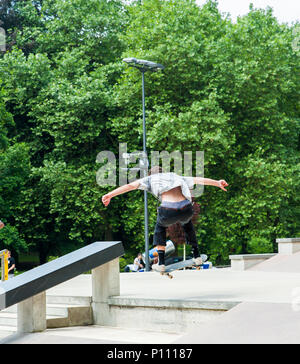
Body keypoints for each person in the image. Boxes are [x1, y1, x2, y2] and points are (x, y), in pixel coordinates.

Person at [102, 167, 228, 273]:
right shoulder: (175, 176)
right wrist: (217, 182)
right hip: (186, 208)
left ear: (151, 174)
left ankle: (161, 262)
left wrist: (109, 195)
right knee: (188, 225)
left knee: (160, 228)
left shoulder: (149, 179)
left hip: (168, 210)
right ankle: (197, 256)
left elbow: (129, 186)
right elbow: (199, 180)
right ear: (163, 172)